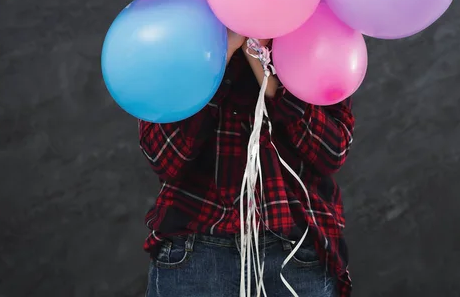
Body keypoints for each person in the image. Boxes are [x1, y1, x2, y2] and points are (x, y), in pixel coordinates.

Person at [139, 30, 355, 297]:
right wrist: (220, 56)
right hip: (195, 252)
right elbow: (164, 157)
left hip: (296, 252)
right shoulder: (177, 39)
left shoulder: (317, 38)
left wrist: (262, 62)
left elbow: (331, 154)